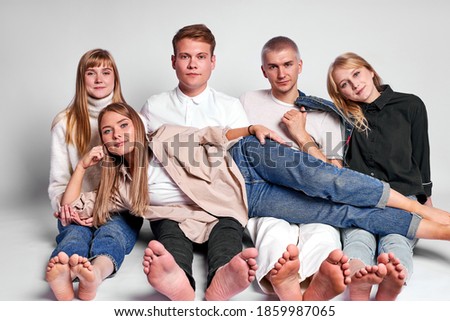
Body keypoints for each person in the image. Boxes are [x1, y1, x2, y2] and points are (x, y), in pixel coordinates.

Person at [68, 103, 450, 302]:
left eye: (123, 126)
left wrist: (250, 129)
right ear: (104, 140)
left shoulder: (165, 136)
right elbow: (69, 207)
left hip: (247, 158)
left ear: (136, 125)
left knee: (329, 181)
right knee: (333, 212)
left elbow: (211, 136)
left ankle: (418, 207)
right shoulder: (118, 185)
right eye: (108, 131)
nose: (118, 135)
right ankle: (436, 231)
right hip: (248, 199)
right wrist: (84, 163)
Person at [139, 24, 251, 300]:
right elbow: (137, 157)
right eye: (185, 56)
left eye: (201, 57)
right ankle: (177, 277)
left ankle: (223, 274)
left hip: (218, 203)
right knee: (170, 237)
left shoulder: (230, 107)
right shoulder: (155, 106)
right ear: (173, 61)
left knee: (228, 233)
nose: (192, 64)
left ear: (213, 62)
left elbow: (237, 164)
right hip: (173, 206)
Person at [240, 36, 348, 300]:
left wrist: (301, 136)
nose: (281, 73)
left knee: (324, 235)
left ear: (300, 65)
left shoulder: (325, 113)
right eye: (273, 66)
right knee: (271, 233)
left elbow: (335, 173)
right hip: (266, 198)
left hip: (312, 201)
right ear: (263, 70)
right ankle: (288, 284)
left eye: (287, 64)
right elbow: (235, 152)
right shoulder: (247, 102)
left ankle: (311, 283)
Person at [327, 52, 433, 300]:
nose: (355, 85)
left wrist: (425, 198)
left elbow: (421, 154)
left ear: (370, 71)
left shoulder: (410, 105)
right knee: (358, 238)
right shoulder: (344, 117)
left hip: (402, 195)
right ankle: (358, 276)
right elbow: (332, 153)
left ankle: (395, 275)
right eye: (345, 84)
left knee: (397, 239)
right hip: (360, 198)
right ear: (341, 93)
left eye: (356, 74)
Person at [46, 49, 143, 301]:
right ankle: (63, 272)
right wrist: (68, 211)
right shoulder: (64, 123)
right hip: (77, 205)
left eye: (106, 72)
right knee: (74, 234)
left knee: (113, 235)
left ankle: (95, 274)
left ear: (115, 78)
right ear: (82, 79)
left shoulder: (131, 121)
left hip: (119, 207)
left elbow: (143, 172)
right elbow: (58, 182)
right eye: (91, 73)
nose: (99, 79)